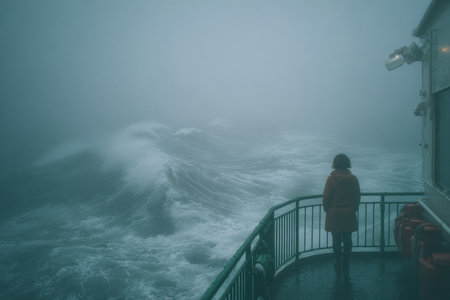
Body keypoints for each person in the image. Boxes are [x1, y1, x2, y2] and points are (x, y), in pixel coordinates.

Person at [323, 153, 360, 278]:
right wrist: (352, 209)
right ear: (347, 164)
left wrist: (328, 209)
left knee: (336, 240)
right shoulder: (353, 179)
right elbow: (357, 196)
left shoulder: (331, 179)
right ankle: (346, 262)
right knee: (347, 239)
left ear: (335, 164)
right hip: (348, 213)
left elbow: (326, 197)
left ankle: (338, 262)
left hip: (334, 214)